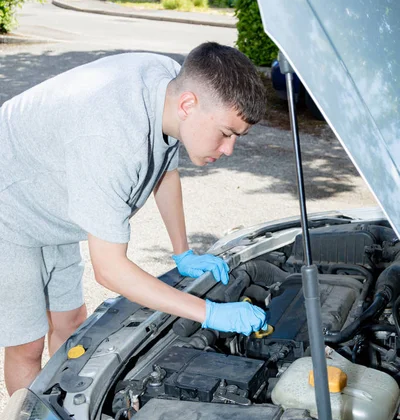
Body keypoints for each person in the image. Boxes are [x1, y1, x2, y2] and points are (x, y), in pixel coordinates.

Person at [0, 41, 268, 396]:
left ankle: (59, 415)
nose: (229, 149)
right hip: (10, 208)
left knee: (71, 323)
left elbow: (165, 171)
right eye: (226, 133)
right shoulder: (110, 140)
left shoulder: (170, 88)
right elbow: (109, 270)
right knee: (27, 346)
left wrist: (183, 253)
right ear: (189, 104)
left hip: (52, 197)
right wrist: (209, 312)